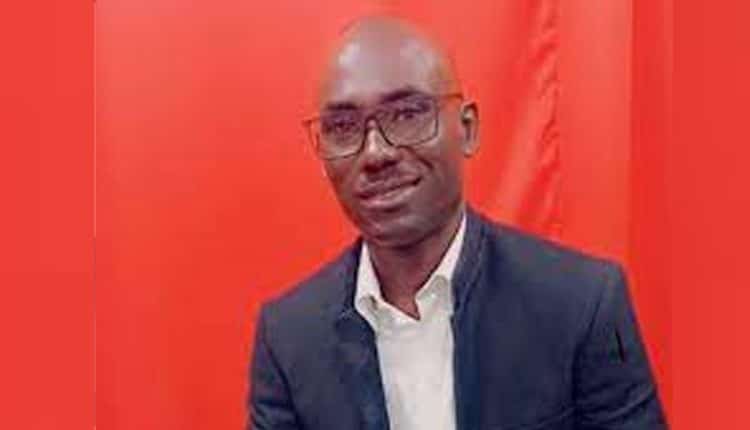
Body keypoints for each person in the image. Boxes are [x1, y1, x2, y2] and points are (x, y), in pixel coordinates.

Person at [248, 15, 666, 430]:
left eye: (407, 114)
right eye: (342, 126)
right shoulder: (289, 338)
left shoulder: (581, 304)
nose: (376, 152)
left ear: (467, 129)